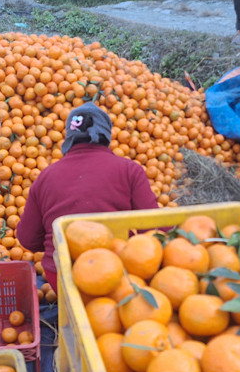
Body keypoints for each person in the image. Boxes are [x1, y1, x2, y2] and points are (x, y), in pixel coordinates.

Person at [17, 102, 158, 292]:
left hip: (60, 275)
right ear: (106, 136)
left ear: (69, 138)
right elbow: (154, 228)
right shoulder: (129, 170)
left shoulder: (46, 176)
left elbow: (27, 240)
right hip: (115, 272)